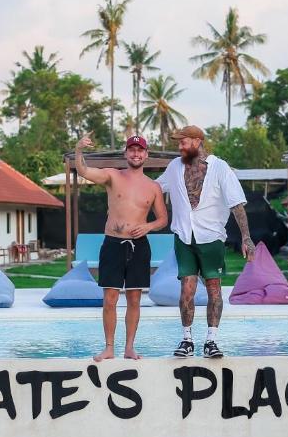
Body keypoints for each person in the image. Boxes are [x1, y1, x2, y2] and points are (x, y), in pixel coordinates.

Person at [156, 125, 255, 358]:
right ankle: (187, 339)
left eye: (183, 142)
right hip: (184, 237)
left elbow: (237, 205)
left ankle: (211, 341)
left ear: (197, 141)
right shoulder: (174, 167)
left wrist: (246, 238)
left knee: (214, 289)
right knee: (186, 290)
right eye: (178, 142)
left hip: (211, 238)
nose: (179, 146)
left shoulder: (220, 168)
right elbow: (154, 187)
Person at [75, 133, 168, 360]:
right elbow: (84, 171)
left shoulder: (153, 187)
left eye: (140, 150)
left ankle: (129, 347)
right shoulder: (113, 176)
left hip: (139, 246)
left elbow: (163, 219)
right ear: (126, 153)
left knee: (134, 298)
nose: (136, 154)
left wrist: (147, 227)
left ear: (146, 155)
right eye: (132, 150)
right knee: (110, 298)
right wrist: (78, 151)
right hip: (113, 244)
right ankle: (109, 348)